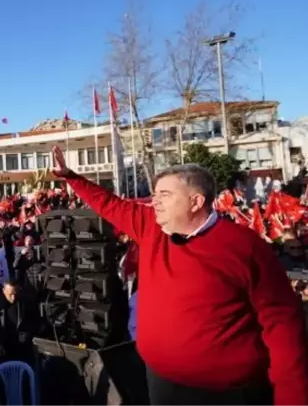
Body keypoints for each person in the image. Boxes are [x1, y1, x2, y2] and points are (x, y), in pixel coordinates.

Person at [51, 145, 308, 406]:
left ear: (196, 201)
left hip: (227, 393)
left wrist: (292, 396)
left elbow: (282, 324)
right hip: (161, 384)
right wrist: (70, 176)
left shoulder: (244, 245)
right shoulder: (149, 226)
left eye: (164, 194)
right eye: (154, 194)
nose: (154, 201)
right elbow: (109, 204)